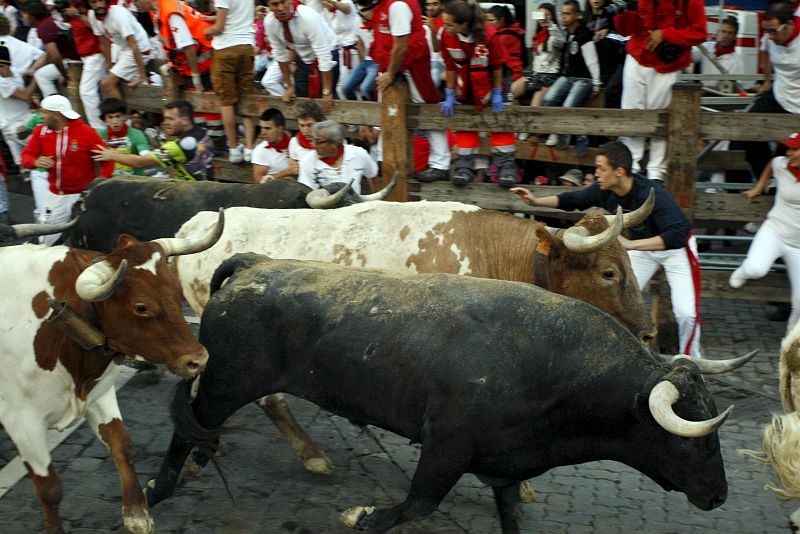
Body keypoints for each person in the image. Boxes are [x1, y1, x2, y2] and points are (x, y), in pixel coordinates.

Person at [510, 141, 701, 356]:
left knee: (686, 314)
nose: (596, 173)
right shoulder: (604, 190)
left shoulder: (652, 193)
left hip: (676, 250)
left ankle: (692, 361)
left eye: (601, 168)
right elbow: (573, 199)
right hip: (642, 249)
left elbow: (678, 234)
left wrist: (630, 245)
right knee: (614, 294)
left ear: (619, 171)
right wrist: (535, 202)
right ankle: (626, 354)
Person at [357, 0, 450, 183]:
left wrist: (390, 73)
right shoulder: (382, 4)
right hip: (389, 61)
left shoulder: (397, 5)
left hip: (411, 63)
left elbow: (402, 44)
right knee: (385, 108)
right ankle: (384, 158)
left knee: (426, 106)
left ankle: (441, 163)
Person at [613, 0, 706, 182]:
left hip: (669, 63)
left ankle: (656, 174)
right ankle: (631, 167)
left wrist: (665, 35)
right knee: (632, 114)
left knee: (662, 118)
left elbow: (699, 33)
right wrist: (623, 11)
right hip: (638, 57)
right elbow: (624, 29)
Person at [729, 131, 800, 330]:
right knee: (755, 269)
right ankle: (745, 269)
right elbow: (771, 165)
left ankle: (791, 344)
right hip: (775, 230)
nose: (789, 153)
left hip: (799, 245)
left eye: (795, 149)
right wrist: (759, 187)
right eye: (789, 148)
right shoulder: (781, 164)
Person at [20, 94, 114, 245]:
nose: (41, 116)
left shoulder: (87, 132)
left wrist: (100, 183)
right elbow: (26, 157)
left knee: (89, 241)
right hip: (57, 196)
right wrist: (35, 161)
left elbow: (107, 160)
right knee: (45, 242)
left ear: (56, 115)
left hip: (84, 198)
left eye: (44, 112)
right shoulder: (40, 132)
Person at [439, 0, 514, 187]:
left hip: (492, 80)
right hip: (467, 82)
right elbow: (450, 67)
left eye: (449, 24)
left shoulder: (489, 35)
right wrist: (449, 94)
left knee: (499, 123)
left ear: (463, 24)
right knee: (466, 123)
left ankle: (505, 168)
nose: (444, 27)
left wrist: (497, 92)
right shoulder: (447, 37)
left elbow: (497, 66)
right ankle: (464, 168)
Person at [741, 2, 799, 182]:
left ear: (789, 24)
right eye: (767, 31)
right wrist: (766, 81)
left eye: (773, 31)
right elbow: (764, 50)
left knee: (787, 155)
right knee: (747, 131)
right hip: (778, 94)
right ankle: (766, 182)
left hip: (798, 106)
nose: (770, 36)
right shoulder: (770, 37)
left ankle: (779, 189)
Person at [92, 98, 214, 181]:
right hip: (206, 188)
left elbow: (141, 162)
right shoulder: (203, 134)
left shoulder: (177, 147)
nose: (165, 123)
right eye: (165, 119)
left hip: (190, 196)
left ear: (185, 121)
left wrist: (112, 155)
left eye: (170, 119)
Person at [542, 0, 600, 157]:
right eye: (562, 14)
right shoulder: (566, 34)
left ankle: (567, 136)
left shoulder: (584, 35)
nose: (563, 17)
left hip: (583, 78)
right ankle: (554, 131)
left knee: (568, 105)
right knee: (548, 99)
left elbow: (592, 60)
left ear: (577, 15)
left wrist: (596, 83)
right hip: (567, 76)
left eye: (567, 14)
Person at [263, 0, 339, 114]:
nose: (280, 8)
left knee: (326, 104)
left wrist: (327, 92)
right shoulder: (269, 22)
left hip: (328, 54)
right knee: (303, 103)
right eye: (275, 4)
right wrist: (289, 86)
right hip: (304, 58)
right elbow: (280, 54)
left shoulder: (307, 16)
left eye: (283, 2)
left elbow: (323, 54)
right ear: (268, 6)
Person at [204, 0, 256, 163]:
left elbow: (219, 28)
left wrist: (207, 31)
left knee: (227, 102)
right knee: (247, 97)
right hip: (247, 46)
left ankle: (233, 149)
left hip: (225, 48)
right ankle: (249, 148)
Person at [88, 0, 152, 99]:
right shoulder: (92, 15)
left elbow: (134, 45)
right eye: (93, 2)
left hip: (140, 49)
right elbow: (103, 43)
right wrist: (110, 69)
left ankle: (120, 114)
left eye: (101, 0)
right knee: (116, 82)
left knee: (106, 84)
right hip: (123, 49)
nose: (99, 5)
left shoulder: (117, 15)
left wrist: (141, 76)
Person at [298, 119, 378, 194]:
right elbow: (306, 193)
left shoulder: (358, 153)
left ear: (335, 143)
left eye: (318, 141)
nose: (314, 145)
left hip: (356, 206)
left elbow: (372, 174)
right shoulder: (307, 161)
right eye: (313, 140)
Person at [521, 2, 562, 136]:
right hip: (535, 74)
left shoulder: (555, 33)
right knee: (510, 93)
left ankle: (530, 133)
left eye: (546, 15)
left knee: (535, 108)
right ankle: (518, 128)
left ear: (552, 17)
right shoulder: (537, 35)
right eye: (539, 15)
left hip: (548, 76)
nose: (542, 18)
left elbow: (559, 41)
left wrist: (550, 24)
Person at [0, 41, 37, 168]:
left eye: (1, 67)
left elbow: (26, 98)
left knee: (26, 164)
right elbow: (25, 95)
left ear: (8, 64)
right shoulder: (0, 82)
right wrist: (37, 78)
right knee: (36, 145)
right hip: (11, 126)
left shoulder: (15, 72)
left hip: (27, 117)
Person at [97, 97, 151, 175]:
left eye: (118, 116)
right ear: (104, 119)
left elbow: (145, 158)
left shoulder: (137, 134)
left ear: (125, 117)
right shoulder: (98, 135)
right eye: (110, 117)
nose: (115, 121)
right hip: (108, 182)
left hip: (134, 182)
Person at [486, 4, 525, 98]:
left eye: (491, 20)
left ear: (501, 20)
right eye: (486, 20)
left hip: (511, 75)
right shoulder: (499, 34)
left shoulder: (505, 37)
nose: (488, 23)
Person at [251, 107, 294, 183]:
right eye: (262, 128)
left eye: (267, 128)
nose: (263, 132)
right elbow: (257, 182)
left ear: (280, 128)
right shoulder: (261, 150)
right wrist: (285, 173)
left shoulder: (293, 143)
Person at [289, 100, 324, 167]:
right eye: (302, 125)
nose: (305, 131)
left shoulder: (329, 141)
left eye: (309, 125)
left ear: (319, 123)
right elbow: (293, 171)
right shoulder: (294, 142)